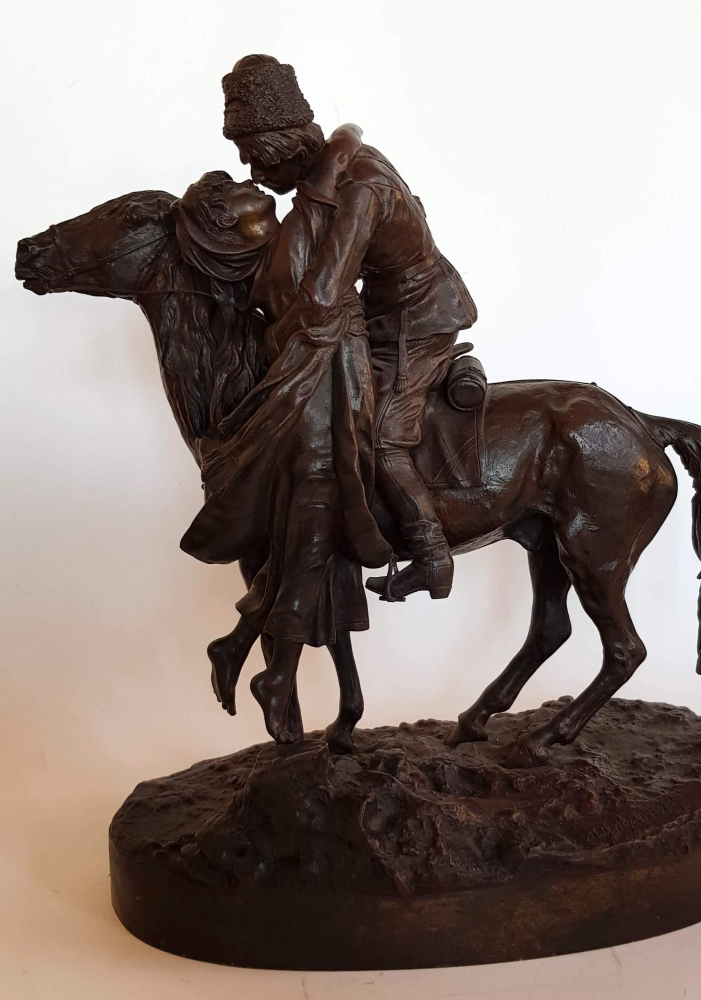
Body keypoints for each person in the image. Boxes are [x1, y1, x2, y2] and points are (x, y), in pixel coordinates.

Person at [221, 54, 478, 602]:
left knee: (379, 436)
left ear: (286, 148)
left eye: (256, 159)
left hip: (417, 322)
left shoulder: (357, 191)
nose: (253, 174)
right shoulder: (342, 163)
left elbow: (321, 295)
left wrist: (270, 332)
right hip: (387, 312)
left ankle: (433, 557)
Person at [175, 169, 391, 740]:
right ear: (230, 231)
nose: (252, 181)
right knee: (317, 516)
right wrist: (348, 141)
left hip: (332, 388)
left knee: (313, 532)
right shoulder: (287, 251)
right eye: (236, 194)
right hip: (320, 402)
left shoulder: (279, 257)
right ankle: (268, 671)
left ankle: (243, 649)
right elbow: (328, 179)